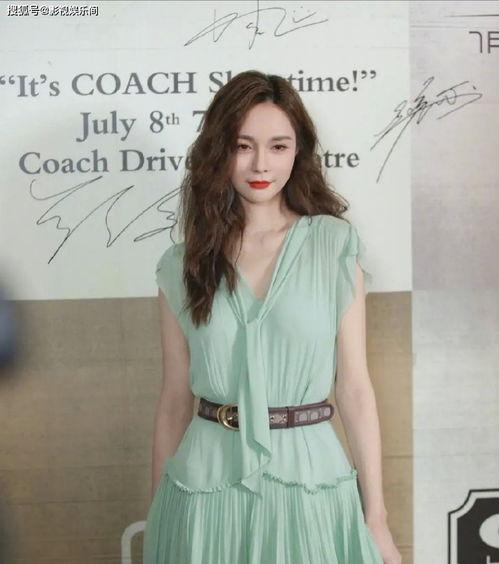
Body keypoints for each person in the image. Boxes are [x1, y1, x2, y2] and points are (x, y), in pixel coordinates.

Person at [143, 70, 401, 564]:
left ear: (297, 152)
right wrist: (159, 516)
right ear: (219, 151)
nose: (261, 164)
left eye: (278, 146)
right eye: (243, 146)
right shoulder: (181, 264)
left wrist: (377, 518)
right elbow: (174, 400)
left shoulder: (333, 246)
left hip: (310, 481)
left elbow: (354, 389)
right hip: (204, 488)